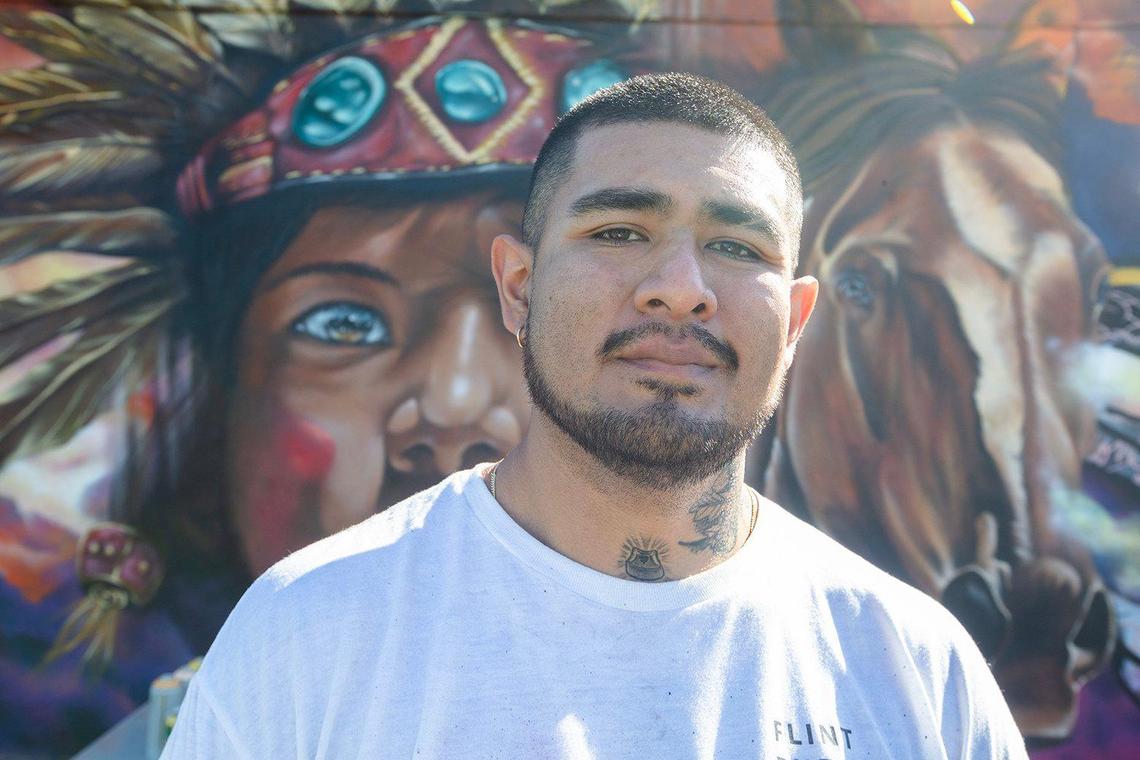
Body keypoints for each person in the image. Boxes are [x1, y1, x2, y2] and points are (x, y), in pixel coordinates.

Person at [161, 73, 1027, 758]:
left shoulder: (913, 669)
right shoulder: (311, 631)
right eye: (619, 232)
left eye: (736, 247)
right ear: (520, 288)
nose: (680, 290)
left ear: (795, 323)